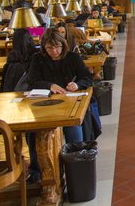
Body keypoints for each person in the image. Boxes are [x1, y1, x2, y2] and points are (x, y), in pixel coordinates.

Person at [26, 28, 93, 181]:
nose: (54, 51)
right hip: (45, 105)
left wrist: (77, 84)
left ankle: (76, 166)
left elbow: (87, 78)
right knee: (35, 131)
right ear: (44, 47)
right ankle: (38, 170)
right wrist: (49, 85)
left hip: (69, 105)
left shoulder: (73, 57)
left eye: (57, 47)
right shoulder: (38, 59)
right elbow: (31, 82)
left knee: (73, 128)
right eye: (49, 48)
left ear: (63, 45)